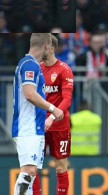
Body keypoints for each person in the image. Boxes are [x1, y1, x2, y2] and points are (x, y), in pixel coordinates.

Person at [12, 33, 64, 195]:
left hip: (34, 127)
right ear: (46, 45)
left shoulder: (30, 65)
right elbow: (29, 94)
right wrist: (52, 108)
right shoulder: (30, 65)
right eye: (51, 47)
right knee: (28, 172)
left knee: (31, 174)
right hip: (27, 127)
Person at [35, 34, 74, 195]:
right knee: (33, 167)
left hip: (59, 125)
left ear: (51, 48)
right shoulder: (36, 69)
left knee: (60, 167)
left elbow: (67, 99)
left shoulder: (64, 70)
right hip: (39, 125)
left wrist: (51, 117)